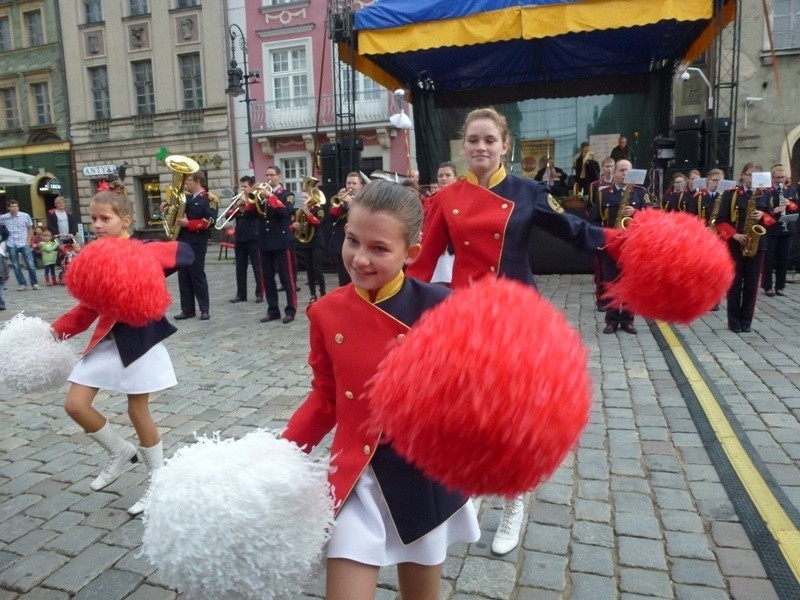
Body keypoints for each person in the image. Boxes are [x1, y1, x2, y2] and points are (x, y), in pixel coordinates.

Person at [406, 107, 612, 556]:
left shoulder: (527, 191)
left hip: (517, 321)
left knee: (514, 413)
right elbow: (421, 267)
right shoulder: (445, 199)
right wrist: (404, 315)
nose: (481, 147)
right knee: (469, 410)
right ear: (463, 146)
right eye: (473, 140)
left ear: (505, 146)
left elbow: (575, 231)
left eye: (489, 140)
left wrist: (620, 242)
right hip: (464, 318)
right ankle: (474, 486)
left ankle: (514, 501)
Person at [282, 180, 479, 600]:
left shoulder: (443, 310)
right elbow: (326, 397)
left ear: (410, 253)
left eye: (379, 248)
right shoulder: (325, 312)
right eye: (353, 240)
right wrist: (275, 455)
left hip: (422, 478)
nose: (360, 258)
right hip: (355, 476)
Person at [51, 189, 194, 515]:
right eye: (94, 219)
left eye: (106, 219)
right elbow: (86, 310)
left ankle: (158, 481)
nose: (98, 225)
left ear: (125, 220)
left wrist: (142, 257)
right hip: (107, 342)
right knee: (75, 405)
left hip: (140, 342)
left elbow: (185, 254)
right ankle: (119, 451)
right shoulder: (94, 256)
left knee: (137, 411)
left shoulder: (142, 248)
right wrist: (52, 333)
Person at [589, 159, 651, 333]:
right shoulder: (604, 194)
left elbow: (653, 216)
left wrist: (637, 213)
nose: (625, 174)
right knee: (611, 283)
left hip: (633, 246)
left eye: (628, 170)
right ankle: (612, 320)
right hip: (612, 245)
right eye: (621, 170)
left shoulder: (640, 192)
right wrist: (602, 237)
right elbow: (594, 220)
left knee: (631, 284)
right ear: (614, 173)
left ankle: (627, 320)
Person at [714, 162, 775, 333]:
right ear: (742, 175)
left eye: (756, 175)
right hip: (735, 243)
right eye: (749, 174)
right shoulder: (730, 194)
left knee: (751, 284)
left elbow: (772, 220)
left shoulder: (764, 194)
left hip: (756, 244)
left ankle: (746, 320)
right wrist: (734, 235)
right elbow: (720, 221)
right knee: (734, 284)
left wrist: (763, 215)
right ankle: (733, 322)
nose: (752, 178)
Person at [173, 173, 215, 321]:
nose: (186, 184)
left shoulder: (209, 199)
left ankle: (204, 309)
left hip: (197, 241)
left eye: (189, 181)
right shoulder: (187, 198)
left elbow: (209, 221)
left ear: (198, 181)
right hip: (183, 241)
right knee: (183, 276)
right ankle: (187, 309)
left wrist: (188, 224)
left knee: (197, 275)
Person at [258, 166, 297, 324]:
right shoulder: (261, 196)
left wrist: (270, 196)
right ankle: (273, 309)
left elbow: (285, 212)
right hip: (265, 241)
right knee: (267, 278)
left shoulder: (287, 195)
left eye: (272, 175)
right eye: (266, 174)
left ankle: (291, 309)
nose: (268, 177)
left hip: (281, 241)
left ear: (279, 177)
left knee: (286, 278)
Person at [762, 164, 798, 297]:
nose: (780, 180)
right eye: (777, 177)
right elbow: (763, 208)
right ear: (772, 177)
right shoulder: (767, 191)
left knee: (783, 258)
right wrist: (773, 211)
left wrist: (790, 204)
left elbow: (796, 205)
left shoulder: (791, 190)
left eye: (782, 177)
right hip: (771, 229)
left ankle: (780, 286)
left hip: (787, 228)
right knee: (769, 258)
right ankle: (767, 286)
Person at [227, 176, 265, 304]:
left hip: (253, 236)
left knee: (257, 266)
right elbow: (228, 216)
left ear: (251, 187)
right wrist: (236, 207)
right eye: (241, 186)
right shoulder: (238, 199)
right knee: (240, 267)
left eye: (245, 187)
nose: (242, 189)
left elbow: (257, 213)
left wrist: (247, 203)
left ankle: (260, 293)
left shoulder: (256, 199)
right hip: (240, 237)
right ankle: (241, 294)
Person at [327, 171, 363, 287]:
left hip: (358, 243)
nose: (350, 186)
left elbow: (362, 218)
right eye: (348, 183)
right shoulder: (341, 198)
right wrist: (339, 204)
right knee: (343, 278)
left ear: (360, 186)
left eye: (354, 183)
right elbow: (331, 218)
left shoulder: (364, 200)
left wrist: (351, 204)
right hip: (341, 242)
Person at [291, 188, 326, 303]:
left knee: (317, 268)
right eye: (302, 197)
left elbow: (318, 223)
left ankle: (323, 292)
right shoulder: (300, 211)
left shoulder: (318, 209)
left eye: (306, 197)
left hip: (316, 241)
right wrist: (295, 225)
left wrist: (308, 213)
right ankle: (312, 293)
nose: (303, 200)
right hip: (306, 242)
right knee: (309, 269)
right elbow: (297, 224)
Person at [427, 162, 458, 287]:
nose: (444, 178)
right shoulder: (431, 200)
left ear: (455, 178)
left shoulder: (464, 197)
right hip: (439, 252)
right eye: (440, 176)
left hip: (459, 249)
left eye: (447, 175)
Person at [0, 200, 40, 291]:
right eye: (12, 206)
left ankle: (34, 283)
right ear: (8, 207)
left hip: (23, 242)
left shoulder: (25, 216)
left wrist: (28, 240)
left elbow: (30, 228)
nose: (15, 208)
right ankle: (22, 283)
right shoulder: (4, 217)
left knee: (30, 264)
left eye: (16, 206)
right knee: (16, 265)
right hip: (11, 243)